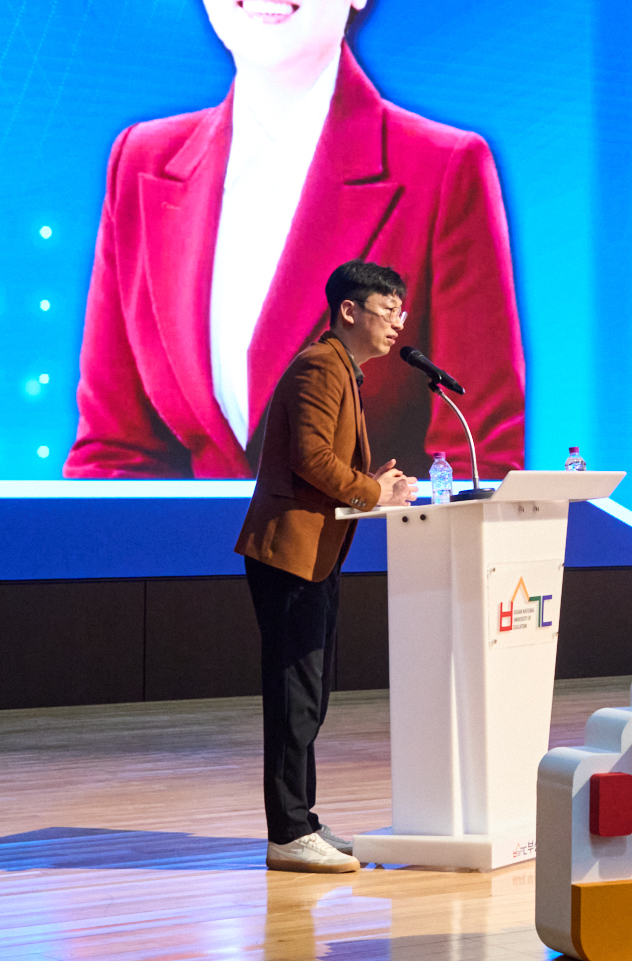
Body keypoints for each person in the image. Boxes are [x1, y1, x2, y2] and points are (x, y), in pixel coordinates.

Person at [65, 0, 526, 483]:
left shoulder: (442, 172)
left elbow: (473, 464)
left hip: (370, 556)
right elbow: (113, 454)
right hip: (175, 562)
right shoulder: (143, 164)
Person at [238, 258, 418, 872]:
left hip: (314, 553)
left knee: (309, 695)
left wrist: (372, 486)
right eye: (388, 309)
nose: (398, 323)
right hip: (291, 553)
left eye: (400, 311)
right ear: (349, 310)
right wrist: (373, 491)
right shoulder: (320, 364)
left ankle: (303, 821)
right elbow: (311, 458)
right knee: (295, 696)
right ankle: (288, 832)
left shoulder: (341, 368)